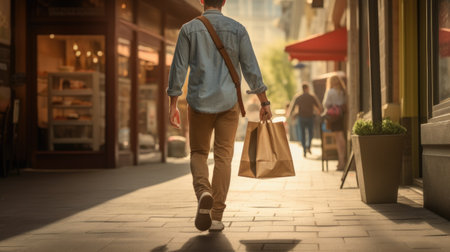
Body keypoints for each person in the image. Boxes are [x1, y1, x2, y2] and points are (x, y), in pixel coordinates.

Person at [167, 0, 272, 232]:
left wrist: (173, 101)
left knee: (198, 153)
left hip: (198, 102)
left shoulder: (188, 29)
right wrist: (264, 101)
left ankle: (203, 191)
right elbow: (251, 68)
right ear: (224, 2)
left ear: (202, 1)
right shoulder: (238, 29)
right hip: (228, 104)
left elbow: (179, 67)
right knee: (223, 157)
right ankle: (216, 216)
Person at [288, 84, 323, 157]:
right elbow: (318, 106)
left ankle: (304, 149)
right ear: (307, 88)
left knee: (302, 134)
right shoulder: (311, 96)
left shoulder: (298, 97)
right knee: (311, 133)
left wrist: (291, 115)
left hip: (301, 117)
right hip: (310, 117)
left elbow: (293, 107)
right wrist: (320, 112)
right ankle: (308, 146)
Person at [323, 75, 347, 170]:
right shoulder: (342, 91)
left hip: (333, 116)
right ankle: (341, 160)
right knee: (341, 137)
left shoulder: (330, 91)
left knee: (338, 138)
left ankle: (341, 161)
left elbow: (325, 104)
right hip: (341, 115)